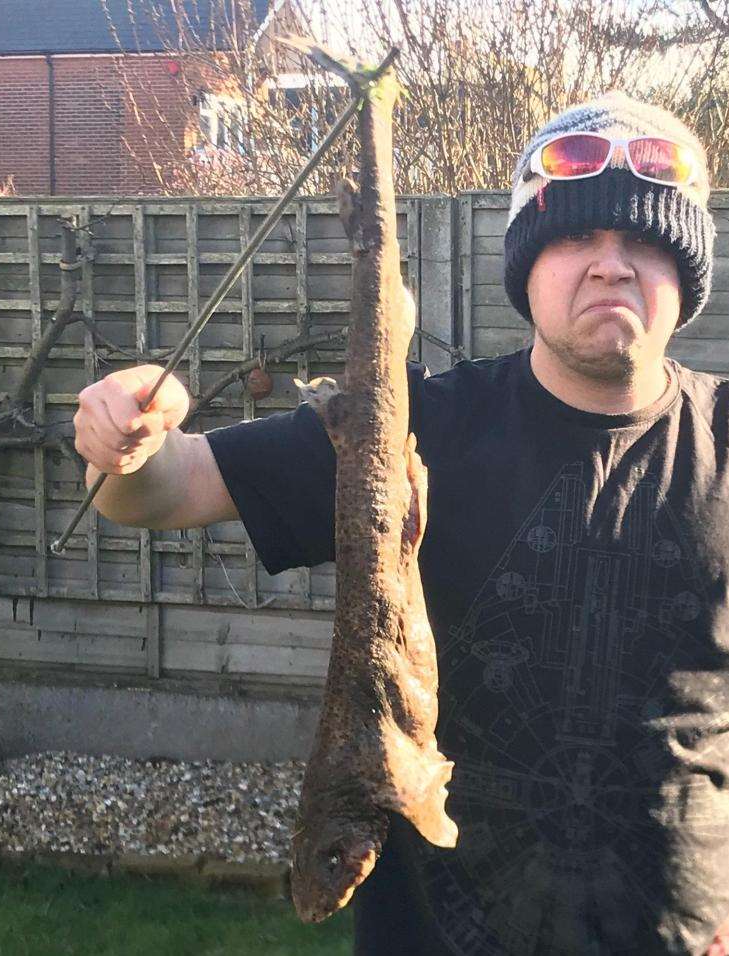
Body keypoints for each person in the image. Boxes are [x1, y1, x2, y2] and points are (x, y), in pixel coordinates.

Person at [73, 90, 729, 955]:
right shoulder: (404, 429)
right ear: (524, 267)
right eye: (575, 236)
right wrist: (125, 435)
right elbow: (161, 491)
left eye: (643, 238)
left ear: (685, 276)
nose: (610, 264)